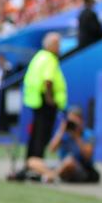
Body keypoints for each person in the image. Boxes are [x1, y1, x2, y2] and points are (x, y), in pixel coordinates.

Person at [13, 106, 99, 183]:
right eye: (70, 120)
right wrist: (61, 131)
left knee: (70, 161)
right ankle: (51, 176)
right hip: (61, 166)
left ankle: (48, 176)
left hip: (80, 168)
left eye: (74, 121)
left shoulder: (89, 134)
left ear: (81, 121)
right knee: (32, 161)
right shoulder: (64, 133)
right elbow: (51, 149)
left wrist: (76, 136)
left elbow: (88, 155)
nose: (71, 124)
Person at [22, 32, 66, 166]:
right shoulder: (50, 58)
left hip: (35, 100)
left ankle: (30, 162)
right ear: (51, 45)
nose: (59, 48)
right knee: (42, 135)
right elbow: (48, 81)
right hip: (45, 102)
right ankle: (37, 165)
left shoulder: (39, 56)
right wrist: (50, 99)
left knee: (36, 134)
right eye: (58, 44)